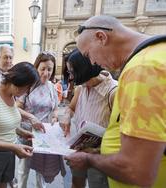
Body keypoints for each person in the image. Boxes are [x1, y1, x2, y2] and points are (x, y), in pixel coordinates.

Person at [65, 15, 166, 187]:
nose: (92, 62)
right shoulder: (156, 54)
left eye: (88, 55)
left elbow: (137, 170)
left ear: (101, 37)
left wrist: (89, 159)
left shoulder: (142, 69)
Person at [0, 62, 40, 188]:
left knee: (3, 185)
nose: (26, 92)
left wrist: (21, 132)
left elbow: (4, 122)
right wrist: (13, 147)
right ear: (18, 82)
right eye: (27, 88)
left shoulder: (12, 95)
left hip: (9, 153)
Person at [61, 49, 117, 188]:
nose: (72, 77)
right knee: (76, 183)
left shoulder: (114, 92)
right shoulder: (81, 88)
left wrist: (96, 151)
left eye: (73, 72)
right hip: (80, 149)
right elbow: (70, 108)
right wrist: (66, 117)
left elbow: (122, 136)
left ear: (85, 69)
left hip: (100, 157)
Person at [17, 52, 64, 188]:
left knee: (41, 169)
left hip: (44, 134)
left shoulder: (52, 87)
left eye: (49, 69)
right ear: (36, 67)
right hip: (27, 133)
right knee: (23, 168)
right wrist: (31, 118)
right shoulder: (28, 85)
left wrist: (55, 116)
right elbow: (16, 108)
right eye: (42, 68)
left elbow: (55, 108)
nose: (46, 73)